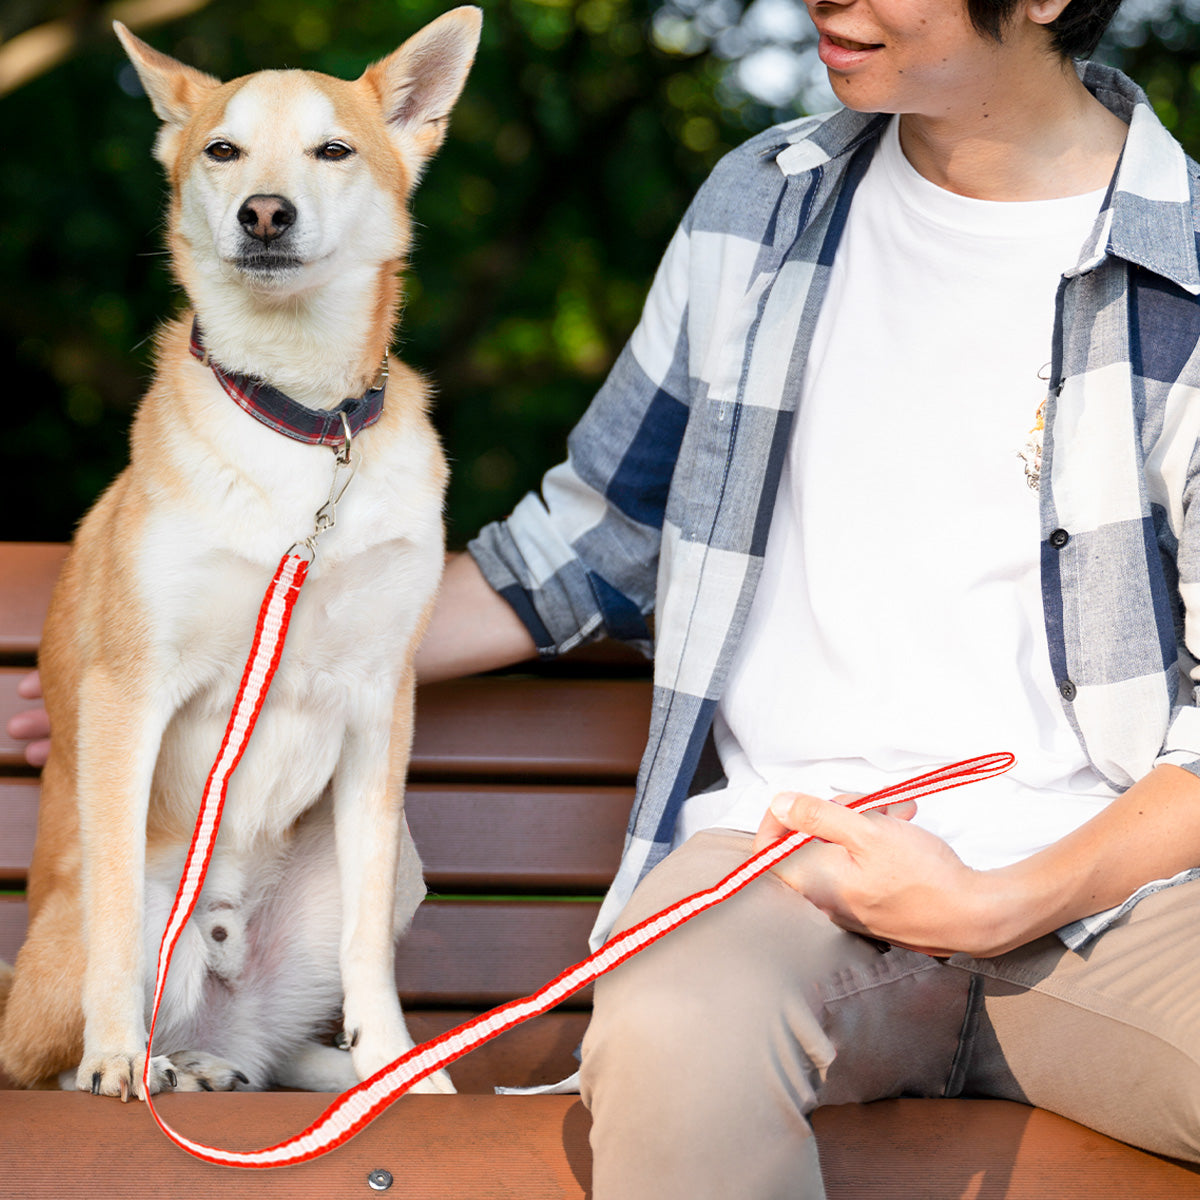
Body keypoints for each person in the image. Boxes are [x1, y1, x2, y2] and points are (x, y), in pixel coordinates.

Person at [12, 0, 1200, 1193]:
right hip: (779, 875)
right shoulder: (761, 204)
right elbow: (591, 544)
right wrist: (185, 663)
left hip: (1116, 904)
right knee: (678, 1038)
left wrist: (1004, 904)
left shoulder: (1186, 260)